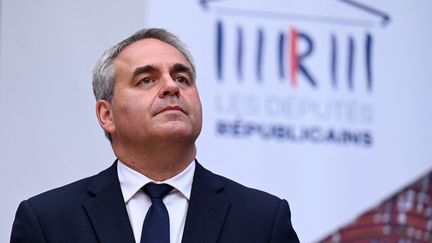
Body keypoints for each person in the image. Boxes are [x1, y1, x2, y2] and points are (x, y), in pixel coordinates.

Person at [10, 28, 300, 243]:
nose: (172, 87)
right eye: (146, 80)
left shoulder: (263, 220)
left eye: (182, 78)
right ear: (106, 115)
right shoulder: (47, 222)